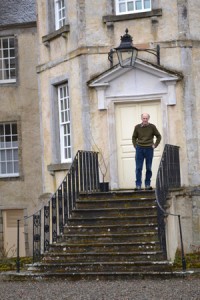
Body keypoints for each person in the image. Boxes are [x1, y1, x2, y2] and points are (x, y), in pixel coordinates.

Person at [132, 113, 161, 190]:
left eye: (146, 118)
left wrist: (155, 145)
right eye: (143, 118)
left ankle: (147, 184)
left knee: (148, 168)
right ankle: (138, 185)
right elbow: (134, 137)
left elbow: (159, 136)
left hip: (149, 149)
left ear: (148, 119)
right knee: (138, 168)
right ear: (141, 119)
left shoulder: (152, 127)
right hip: (139, 149)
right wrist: (135, 146)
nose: (145, 120)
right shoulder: (137, 127)